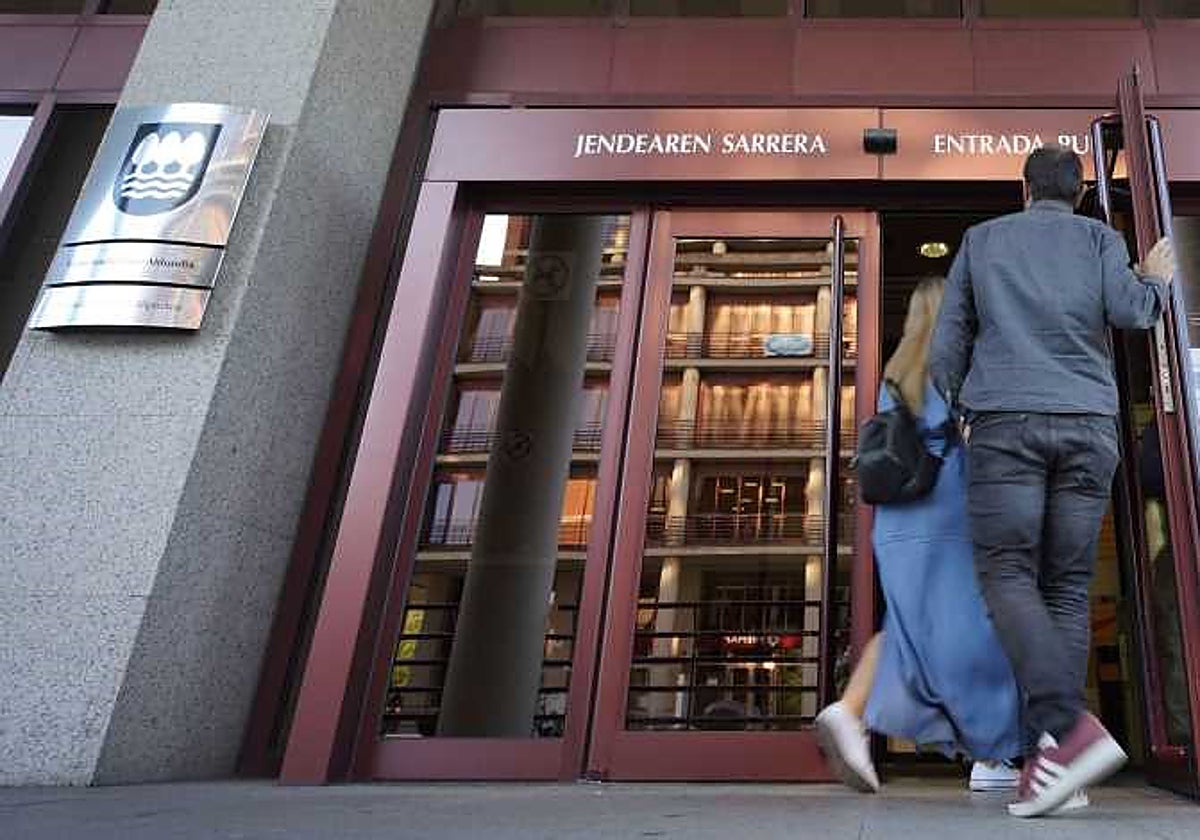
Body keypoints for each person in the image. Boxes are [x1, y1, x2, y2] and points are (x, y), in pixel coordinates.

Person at [930, 144, 1175, 818]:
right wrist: (1155, 280)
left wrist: (960, 412)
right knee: (1065, 587)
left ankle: (1065, 730)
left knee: (1007, 574)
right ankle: (1055, 762)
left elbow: (947, 344)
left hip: (1006, 420)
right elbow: (1134, 312)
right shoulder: (1101, 240)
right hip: (1088, 424)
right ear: (1080, 193)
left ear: (1024, 189)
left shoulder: (982, 240)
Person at [816, 277, 1023, 794]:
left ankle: (849, 712)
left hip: (897, 524)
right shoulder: (960, 367)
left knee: (910, 629)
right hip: (948, 517)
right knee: (983, 629)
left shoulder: (896, 374)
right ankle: (994, 753)